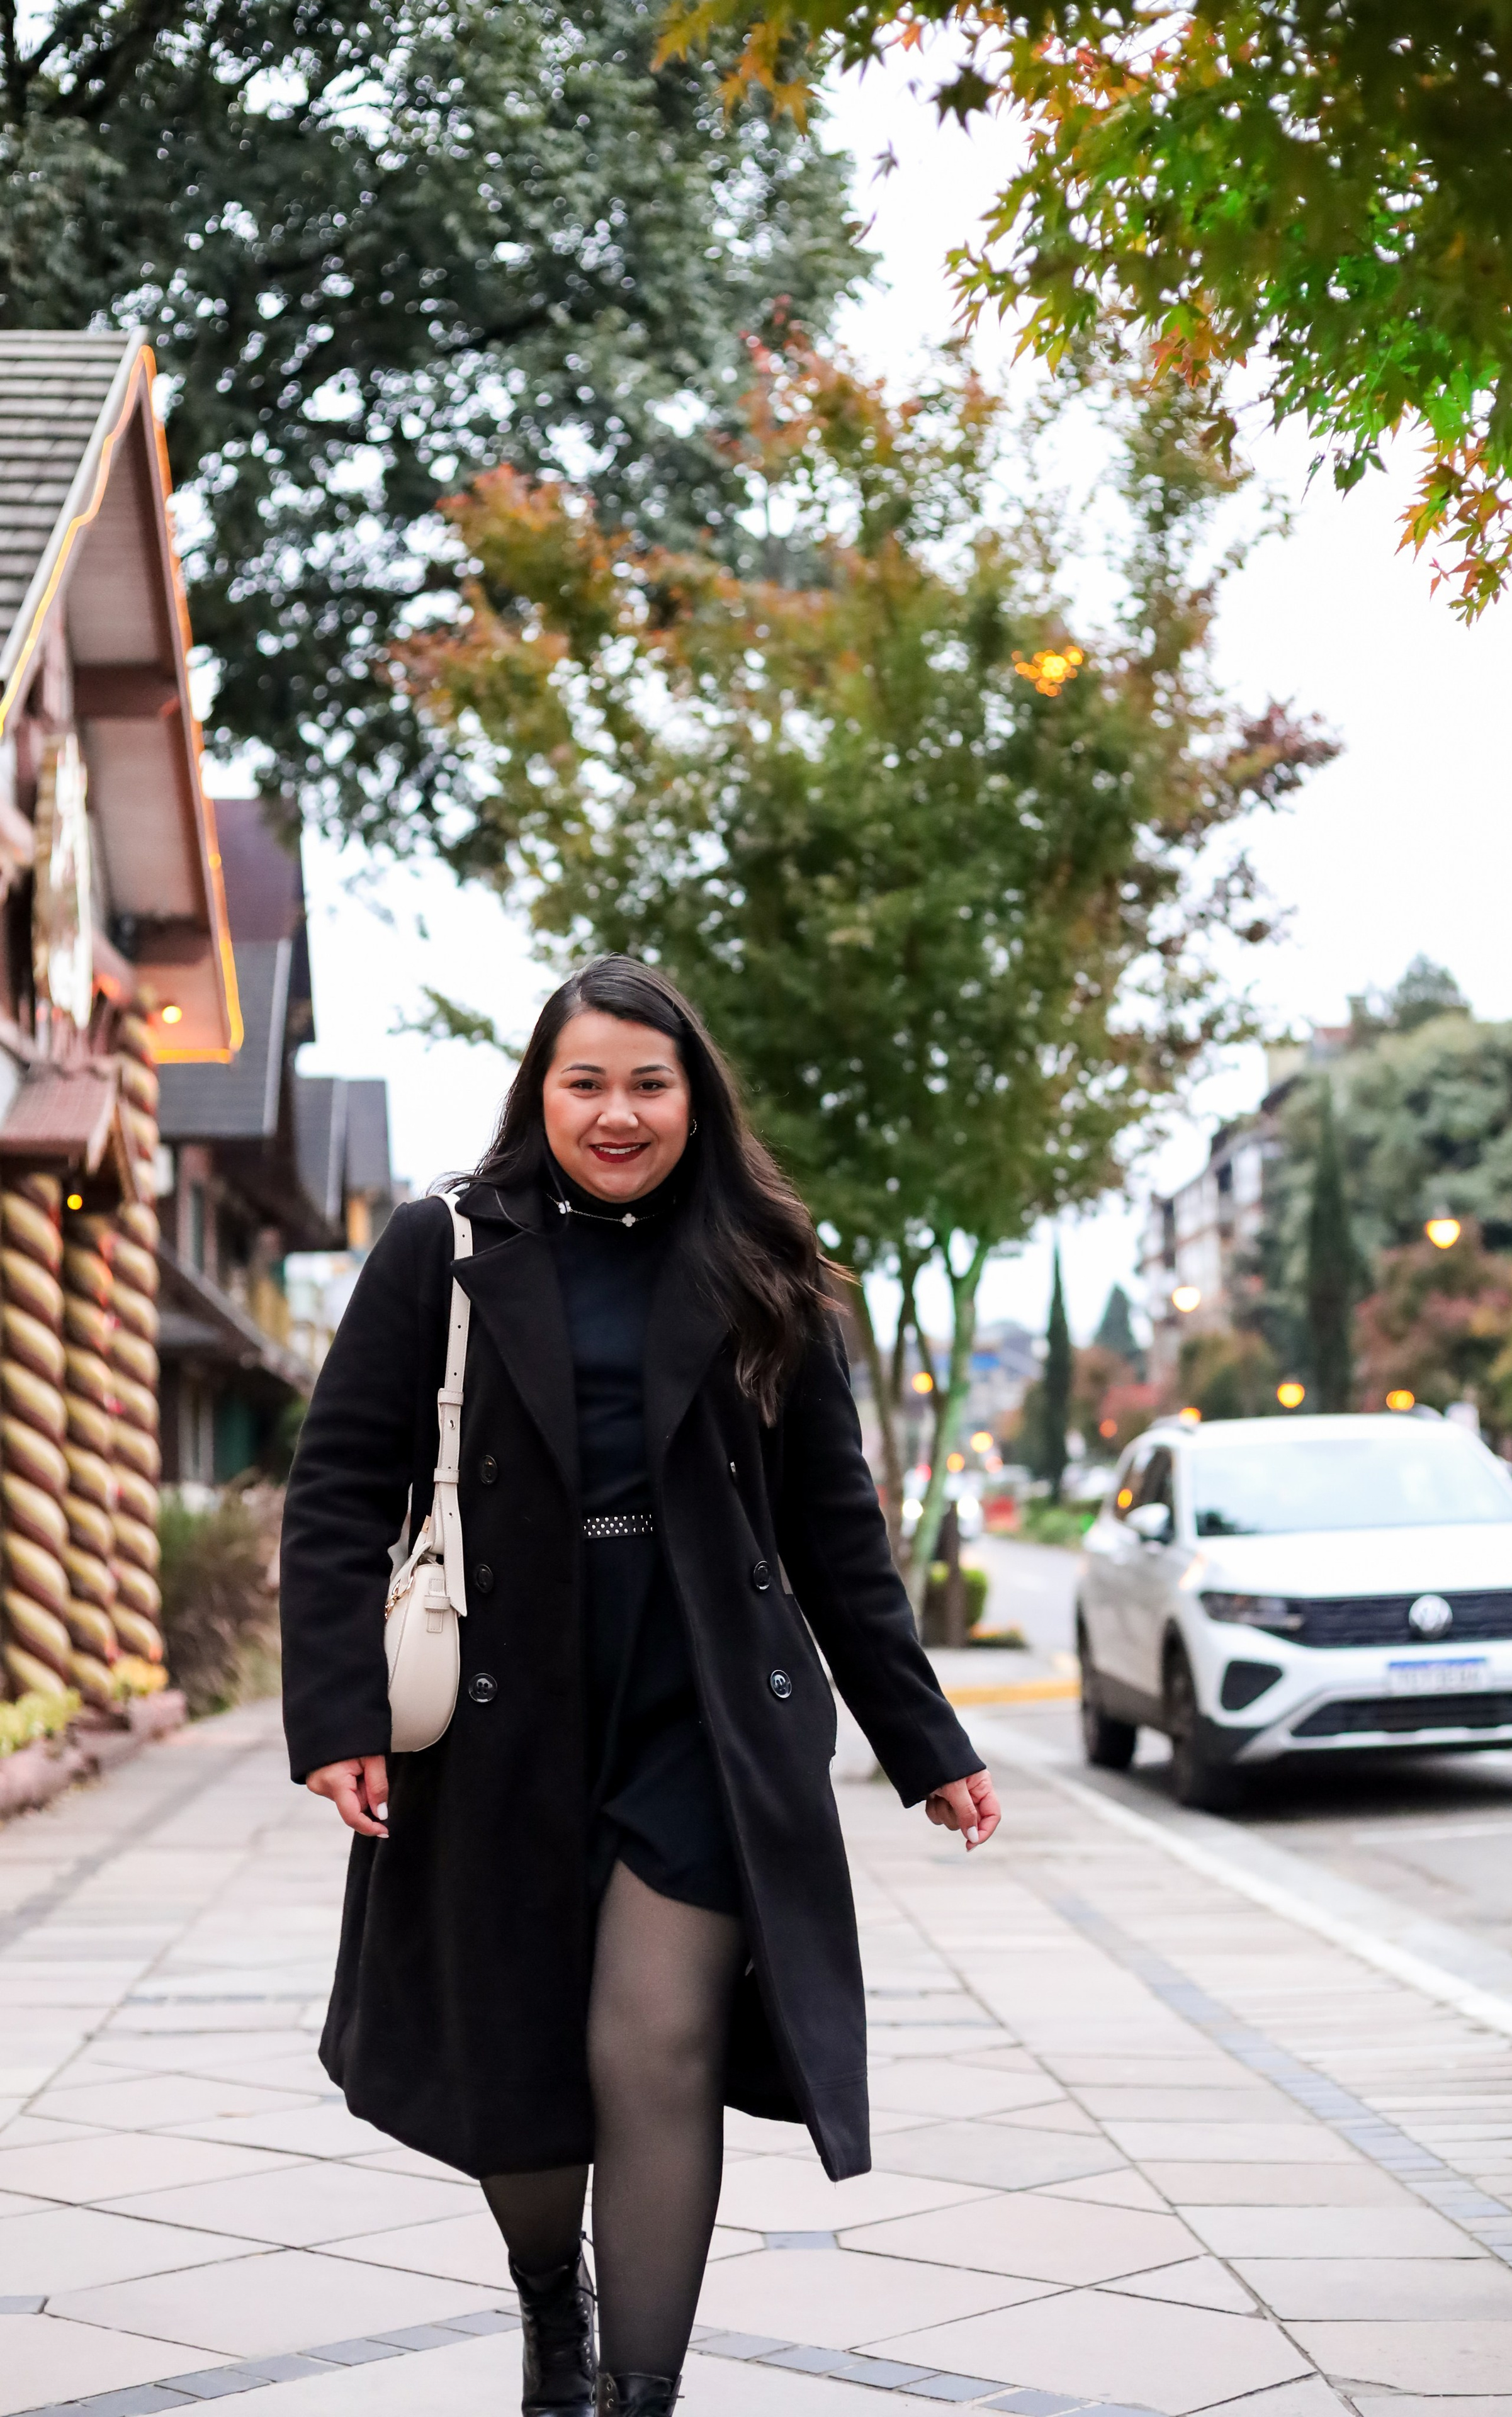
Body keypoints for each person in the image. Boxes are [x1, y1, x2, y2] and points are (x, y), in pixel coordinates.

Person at [279, 955, 1000, 2417]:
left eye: (647, 1085)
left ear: (695, 1099)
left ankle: (635, 2397)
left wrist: (924, 1742)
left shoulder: (761, 1264)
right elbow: (339, 1485)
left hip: (703, 1710)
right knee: (521, 2056)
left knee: (652, 2042)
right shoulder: (448, 1247)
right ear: (538, 1093)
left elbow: (834, 1531)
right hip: (499, 1708)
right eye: (585, 1082)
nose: (617, 1113)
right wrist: (339, 1716)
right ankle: (554, 2300)